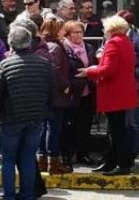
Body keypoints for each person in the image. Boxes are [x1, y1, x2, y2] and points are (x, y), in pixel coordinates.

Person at [0, 27, 54, 200]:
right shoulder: (44, 63)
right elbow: (52, 92)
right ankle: (27, 195)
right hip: (35, 117)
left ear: (11, 43)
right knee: (27, 158)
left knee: (8, 159)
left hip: (11, 118)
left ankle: (9, 196)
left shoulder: (5, 65)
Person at [76, 15, 139, 176]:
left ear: (111, 29)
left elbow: (108, 70)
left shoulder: (113, 43)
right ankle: (111, 161)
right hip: (123, 92)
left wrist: (88, 71)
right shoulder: (126, 41)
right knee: (116, 129)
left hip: (114, 93)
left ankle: (122, 164)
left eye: (105, 28)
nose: (103, 31)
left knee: (117, 131)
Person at [115, 10, 139, 160]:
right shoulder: (112, 36)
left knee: (132, 122)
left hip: (134, 85)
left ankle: (130, 154)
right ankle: (117, 154)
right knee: (117, 123)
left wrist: (134, 73)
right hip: (117, 85)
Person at [60, 20, 97, 167]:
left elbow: (93, 65)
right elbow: (63, 72)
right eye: (75, 32)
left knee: (85, 125)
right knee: (68, 126)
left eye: (80, 32)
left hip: (87, 92)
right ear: (68, 35)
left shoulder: (88, 47)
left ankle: (83, 154)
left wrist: (89, 73)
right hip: (71, 94)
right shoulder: (64, 49)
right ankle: (67, 155)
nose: (78, 35)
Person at [38, 19, 72, 174]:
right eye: (61, 28)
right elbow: (56, 69)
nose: (64, 31)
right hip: (56, 95)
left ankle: (43, 159)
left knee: (46, 126)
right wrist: (64, 86)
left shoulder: (46, 45)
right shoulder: (55, 47)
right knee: (53, 126)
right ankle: (53, 161)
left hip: (47, 93)